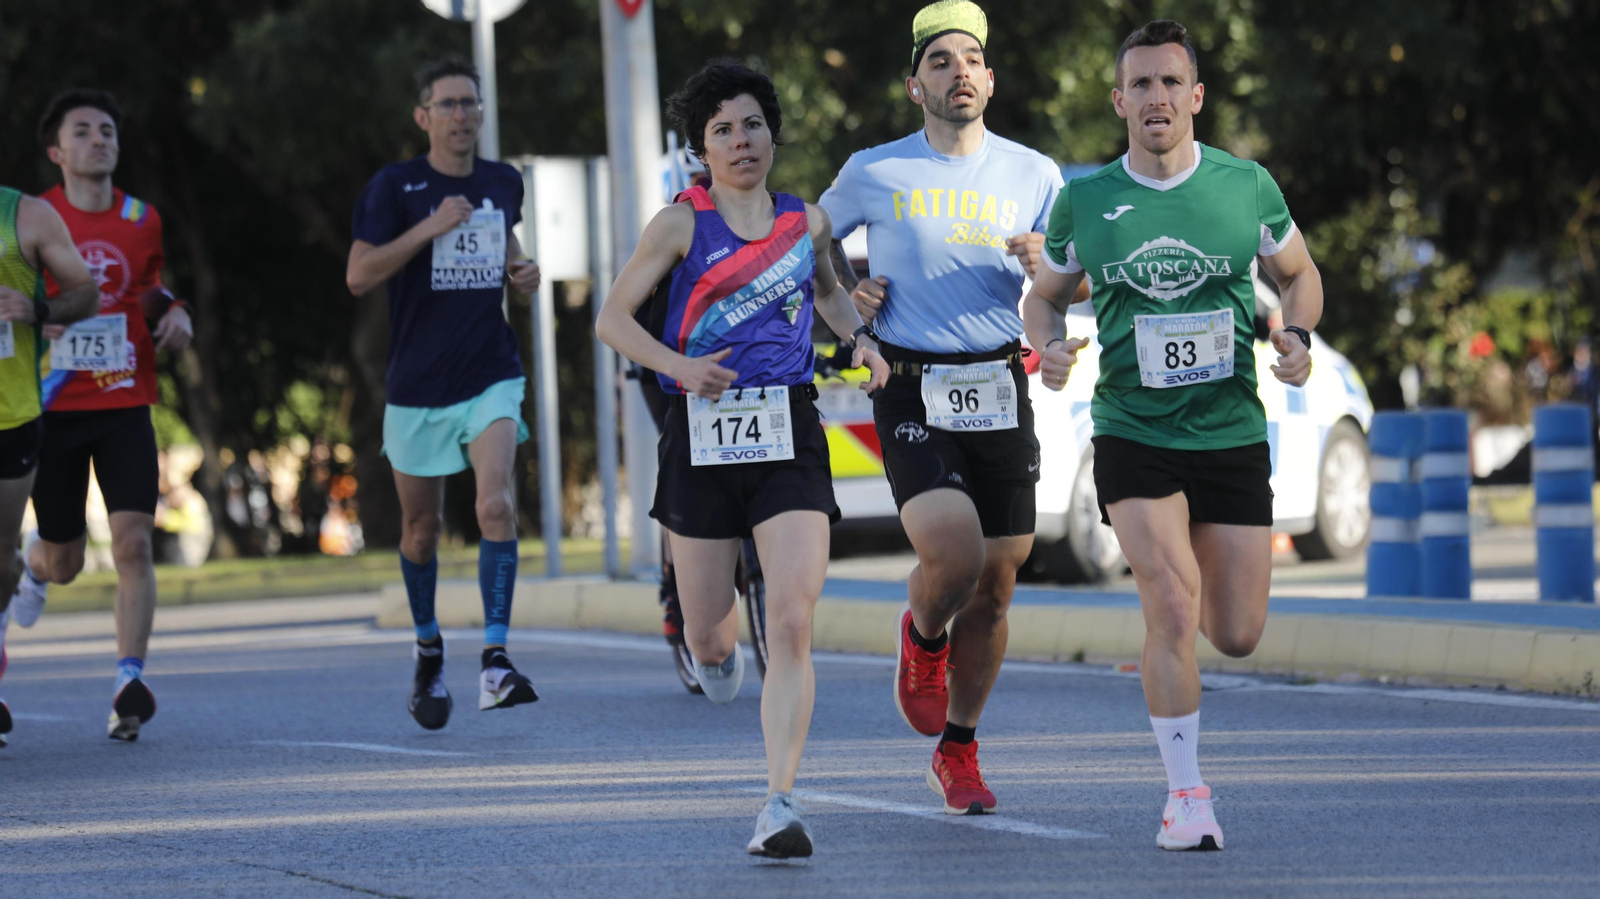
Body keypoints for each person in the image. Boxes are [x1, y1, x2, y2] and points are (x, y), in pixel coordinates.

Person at [1022, 20, 1323, 850]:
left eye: (1170, 82)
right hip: (1133, 427)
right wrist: (1047, 343)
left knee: (1236, 631)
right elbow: (1045, 294)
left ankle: (1188, 769)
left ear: (1196, 96)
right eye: (1140, 85)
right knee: (1171, 599)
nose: (1156, 98)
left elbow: (1299, 276)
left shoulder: (1246, 186)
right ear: (1119, 101)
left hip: (1228, 427)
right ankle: (1186, 793)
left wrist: (1297, 338)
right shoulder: (1085, 202)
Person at [596, 61, 888, 858]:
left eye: (752, 123)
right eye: (722, 129)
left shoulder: (807, 223)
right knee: (713, 634)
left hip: (787, 424)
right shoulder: (679, 225)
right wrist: (681, 366)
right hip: (702, 428)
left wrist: (859, 341)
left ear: (772, 133)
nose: (741, 140)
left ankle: (780, 800)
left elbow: (830, 294)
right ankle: (707, 650)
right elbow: (613, 321)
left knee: (792, 617)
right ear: (702, 147)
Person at [818, 0, 1069, 815]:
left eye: (971, 60)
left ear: (990, 80)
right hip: (909, 380)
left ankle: (957, 750)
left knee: (998, 581)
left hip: (999, 381)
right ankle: (923, 637)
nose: (958, 71)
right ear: (913, 85)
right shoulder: (875, 169)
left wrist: (1050, 267)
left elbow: (1068, 284)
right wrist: (850, 308)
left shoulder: (1034, 174)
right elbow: (807, 238)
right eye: (940, 62)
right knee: (954, 555)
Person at [346, 58, 542, 731]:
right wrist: (429, 227)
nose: (461, 114)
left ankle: (494, 657)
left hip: (490, 370)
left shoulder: (502, 181)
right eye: (448, 103)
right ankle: (428, 645)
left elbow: (504, 243)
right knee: (420, 529)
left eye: (471, 103)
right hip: (417, 384)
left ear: (482, 113)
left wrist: (521, 269)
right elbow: (359, 274)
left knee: (495, 503)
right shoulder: (394, 186)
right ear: (423, 115)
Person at [5, 90, 196, 743]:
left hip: (124, 401)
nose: (98, 139)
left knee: (135, 541)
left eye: (107, 129)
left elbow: (147, 286)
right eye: (81, 131)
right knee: (66, 560)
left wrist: (174, 312)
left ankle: (128, 680)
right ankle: (34, 567)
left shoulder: (143, 217)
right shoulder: (36, 217)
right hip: (54, 406)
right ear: (57, 152)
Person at [0, 182, 100, 747]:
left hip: (10, 413)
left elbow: (85, 293)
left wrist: (36, 308)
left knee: (1, 562)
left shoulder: (26, 216)